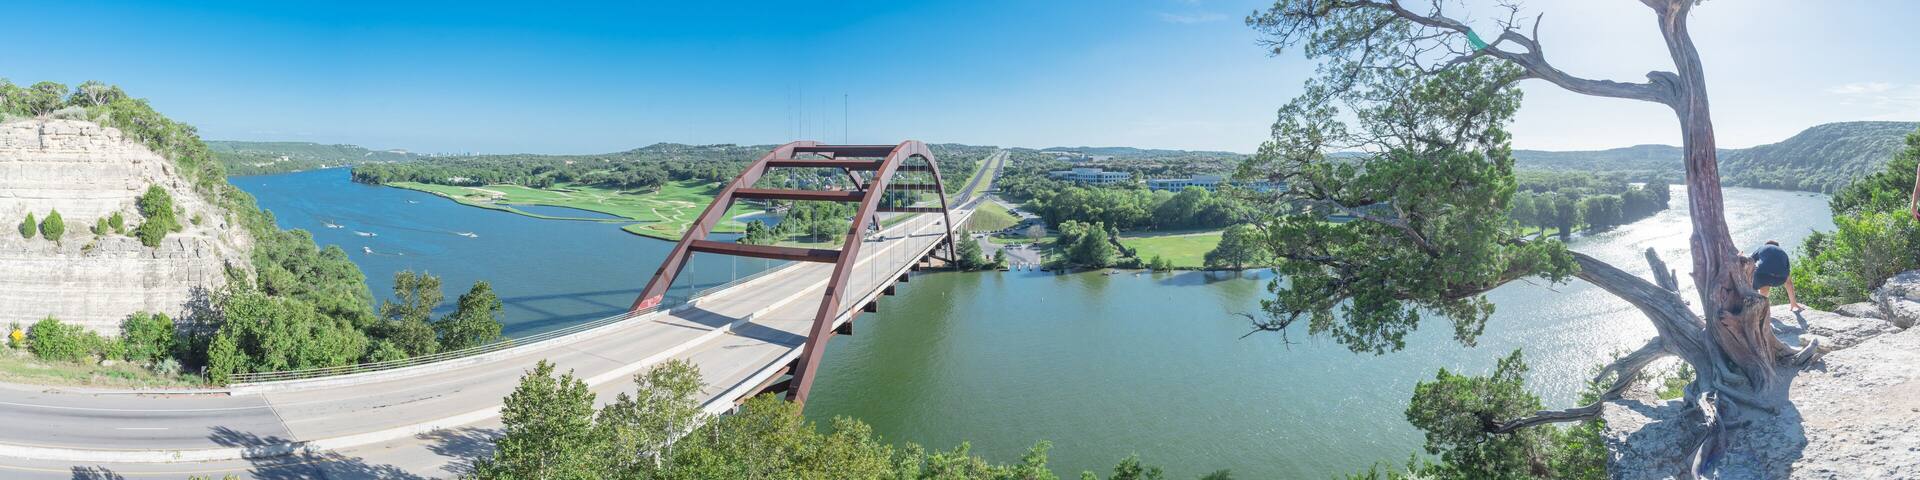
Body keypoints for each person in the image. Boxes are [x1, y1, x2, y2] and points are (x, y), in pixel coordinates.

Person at [1750, 240, 1803, 312]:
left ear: (1766, 245)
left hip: (1762, 277)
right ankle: (1793, 305)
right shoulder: (1783, 253)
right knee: (1769, 281)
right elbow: (1789, 282)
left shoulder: (1762, 248)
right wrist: (1793, 303)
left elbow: (1749, 261)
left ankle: (1759, 309)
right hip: (1780, 279)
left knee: (1760, 283)